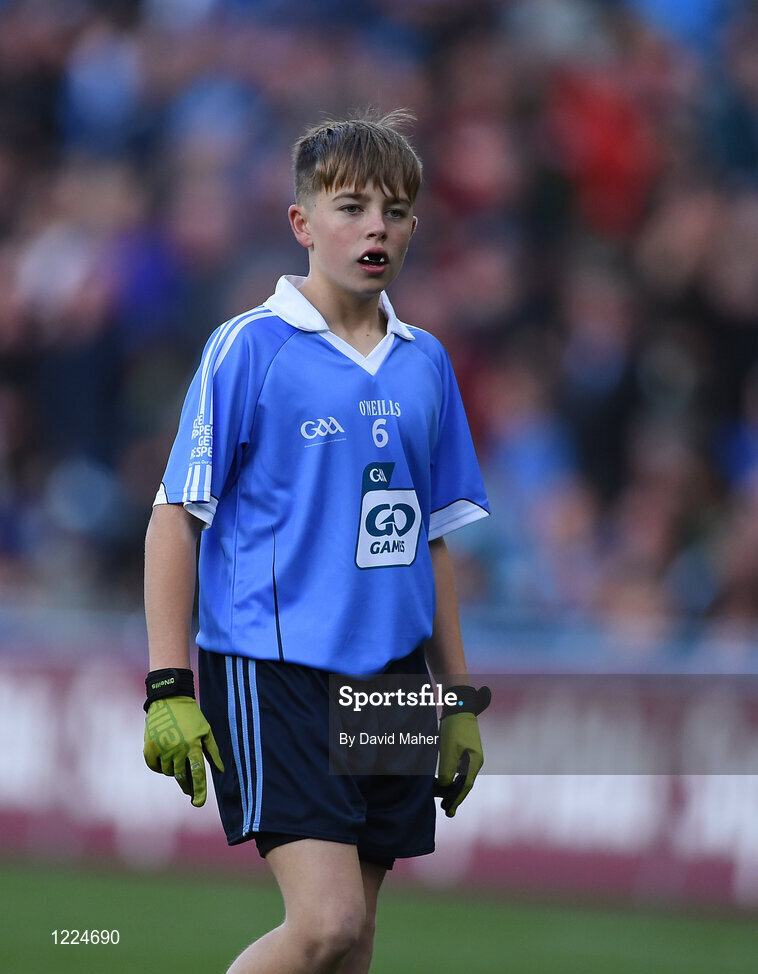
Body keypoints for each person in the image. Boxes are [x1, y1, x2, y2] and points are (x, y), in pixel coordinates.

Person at [143, 109, 490, 974]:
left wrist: (455, 696)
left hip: (395, 679)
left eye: (398, 210)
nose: (378, 226)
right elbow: (175, 516)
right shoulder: (248, 350)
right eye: (352, 206)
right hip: (277, 668)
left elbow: (431, 542)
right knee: (326, 922)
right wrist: (166, 684)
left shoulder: (426, 362)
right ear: (302, 223)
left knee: (354, 945)